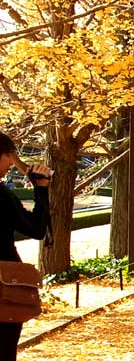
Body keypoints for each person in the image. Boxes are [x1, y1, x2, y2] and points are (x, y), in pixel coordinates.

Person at [0, 132, 51, 359]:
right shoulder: (1, 196)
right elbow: (36, 229)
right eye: (7, 155)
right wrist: (41, 189)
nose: (11, 162)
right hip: (4, 288)